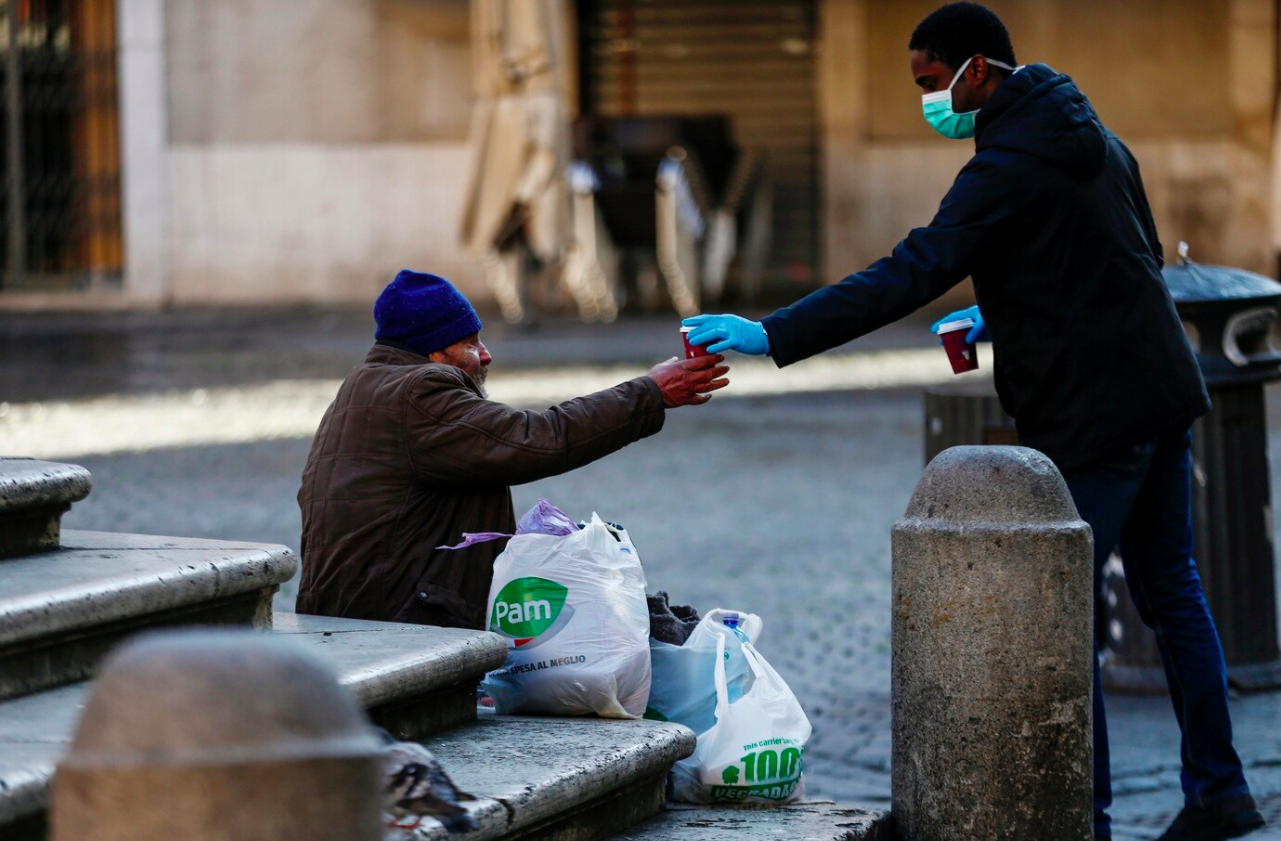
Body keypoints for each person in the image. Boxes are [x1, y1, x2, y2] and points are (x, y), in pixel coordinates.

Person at [683, 4, 1263, 840]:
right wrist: (1000, 314)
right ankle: (1221, 792)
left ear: (977, 72)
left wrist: (772, 332)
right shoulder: (1090, 132)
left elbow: (910, 269)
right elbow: (1113, 253)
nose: (930, 104)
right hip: (1159, 393)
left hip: (1093, 415)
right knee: (1172, 593)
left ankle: (1082, 817)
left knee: (1057, 616)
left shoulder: (1004, 167)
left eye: (931, 83)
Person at [297, 269, 727, 631]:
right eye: (470, 343)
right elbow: (536, 438)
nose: (486, 355)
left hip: (360, 612)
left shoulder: (363, 387)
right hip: (398, 621)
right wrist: (650, 392)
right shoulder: (418, 393)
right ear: (434, 352)